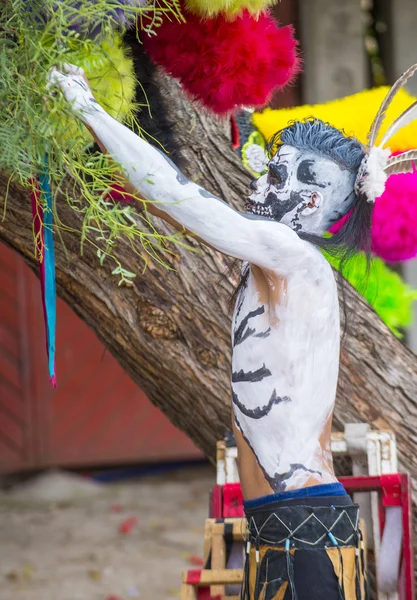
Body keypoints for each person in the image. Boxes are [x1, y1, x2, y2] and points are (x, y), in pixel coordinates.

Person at [48, 63, 417, 599]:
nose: (262, 179)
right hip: (281, 524)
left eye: (281, 174)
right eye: (270, 166)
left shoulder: (297, 260)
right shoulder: (280, 264)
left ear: (312, 201)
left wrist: (91, 110)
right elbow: (178, 211)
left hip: (304, 527)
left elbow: (182, 201)